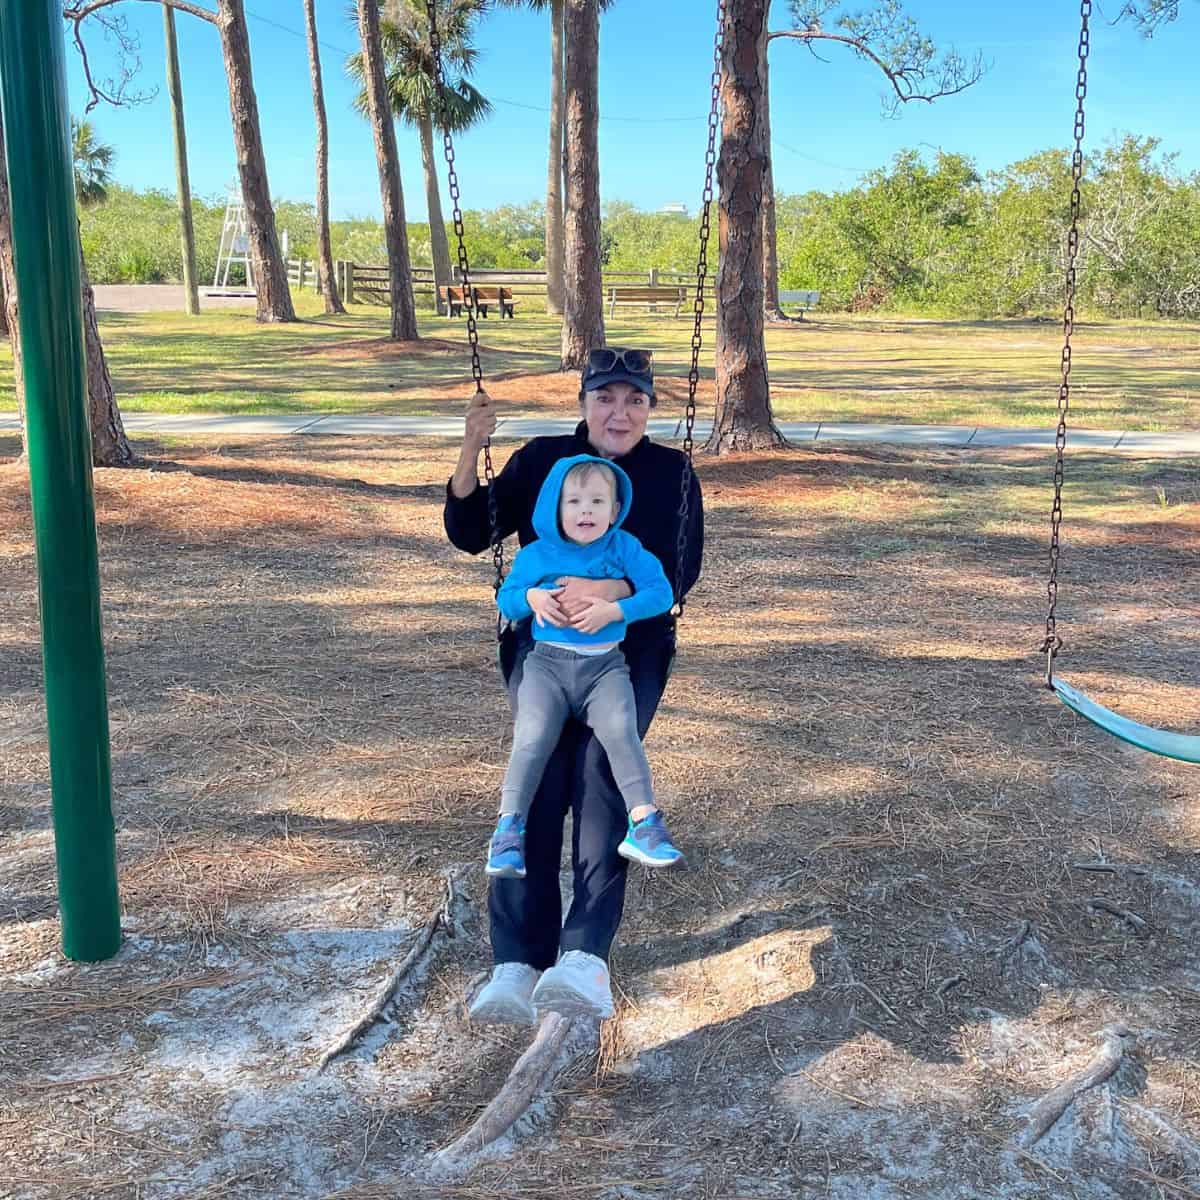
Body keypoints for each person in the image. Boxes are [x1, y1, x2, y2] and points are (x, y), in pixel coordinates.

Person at [444, 346, 703, 1025]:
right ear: (585, 402)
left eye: (636, 400)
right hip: (543, 646)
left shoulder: (671, 471)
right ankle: (516, 962)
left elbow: (679, 570)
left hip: (629, 648)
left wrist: (605, 591)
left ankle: (584, 956)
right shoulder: (539, 462)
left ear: (650, 407)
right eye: (606, 398)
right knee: (541, 774)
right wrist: (473, 446)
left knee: (600, 774)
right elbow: (471, 533)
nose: (620, 412)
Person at [487, 453, 684, 881]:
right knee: (532, 734)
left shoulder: (625, 549)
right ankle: (508, 827)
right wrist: (533, 600)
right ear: (556, 508)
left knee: (620, 730)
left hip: (604, 669)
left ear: (615, 510)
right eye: (574, 502)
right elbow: (508, 598)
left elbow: (661, 593)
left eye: (597, 502)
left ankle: (644, 822)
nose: (586, 512)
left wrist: (616, 611)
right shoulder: (538, 555)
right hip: (547, 667)